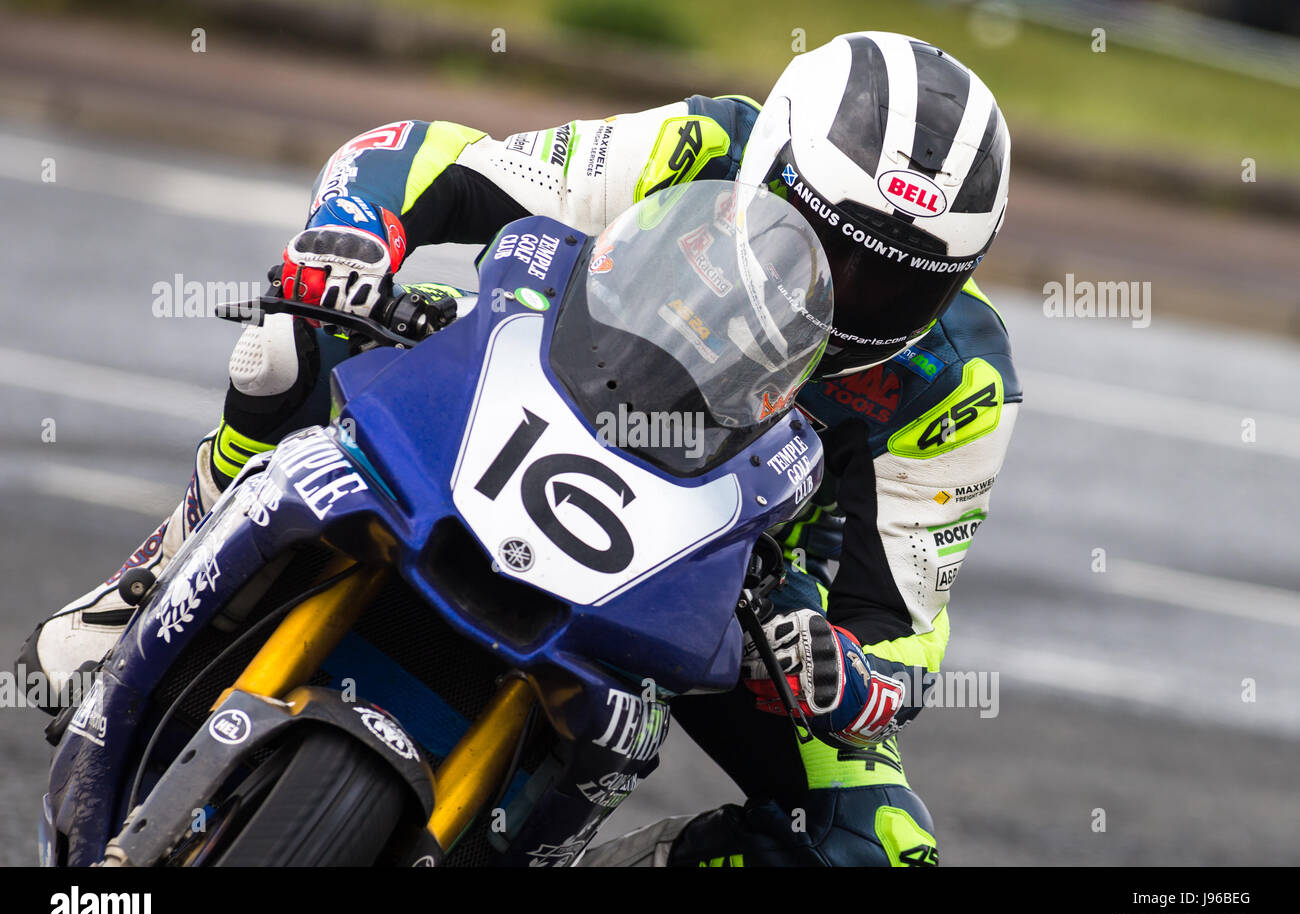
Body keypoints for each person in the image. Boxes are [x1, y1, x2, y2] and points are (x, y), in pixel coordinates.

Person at [21, 31, 1018, 866]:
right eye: (826, 238)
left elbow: (906, 626)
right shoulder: (699, 144)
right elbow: (444, 159)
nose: (841, 290)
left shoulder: (964, 382)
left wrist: (851, 671)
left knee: (875, 845)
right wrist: (358, 231)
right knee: (288, 345)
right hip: (549, 383)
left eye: (892, 283)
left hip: (735, 572)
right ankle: (143, 587)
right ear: (770, 168)